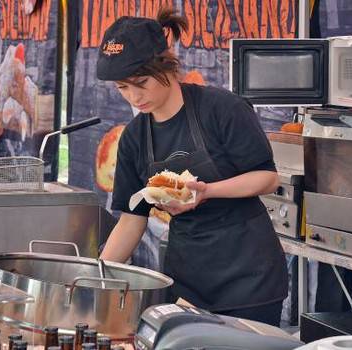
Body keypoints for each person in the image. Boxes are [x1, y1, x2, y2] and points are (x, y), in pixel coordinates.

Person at [96, 8, 288, 326]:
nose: (134, 96)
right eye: (123, 88)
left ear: (167, 65)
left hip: (250, 278)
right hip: (187, 282)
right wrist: (94, 277)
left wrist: (208, 191)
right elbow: (132, 221)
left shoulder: (221, 109)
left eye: (140, 83)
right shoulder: (134, 139)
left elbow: (267, 177)